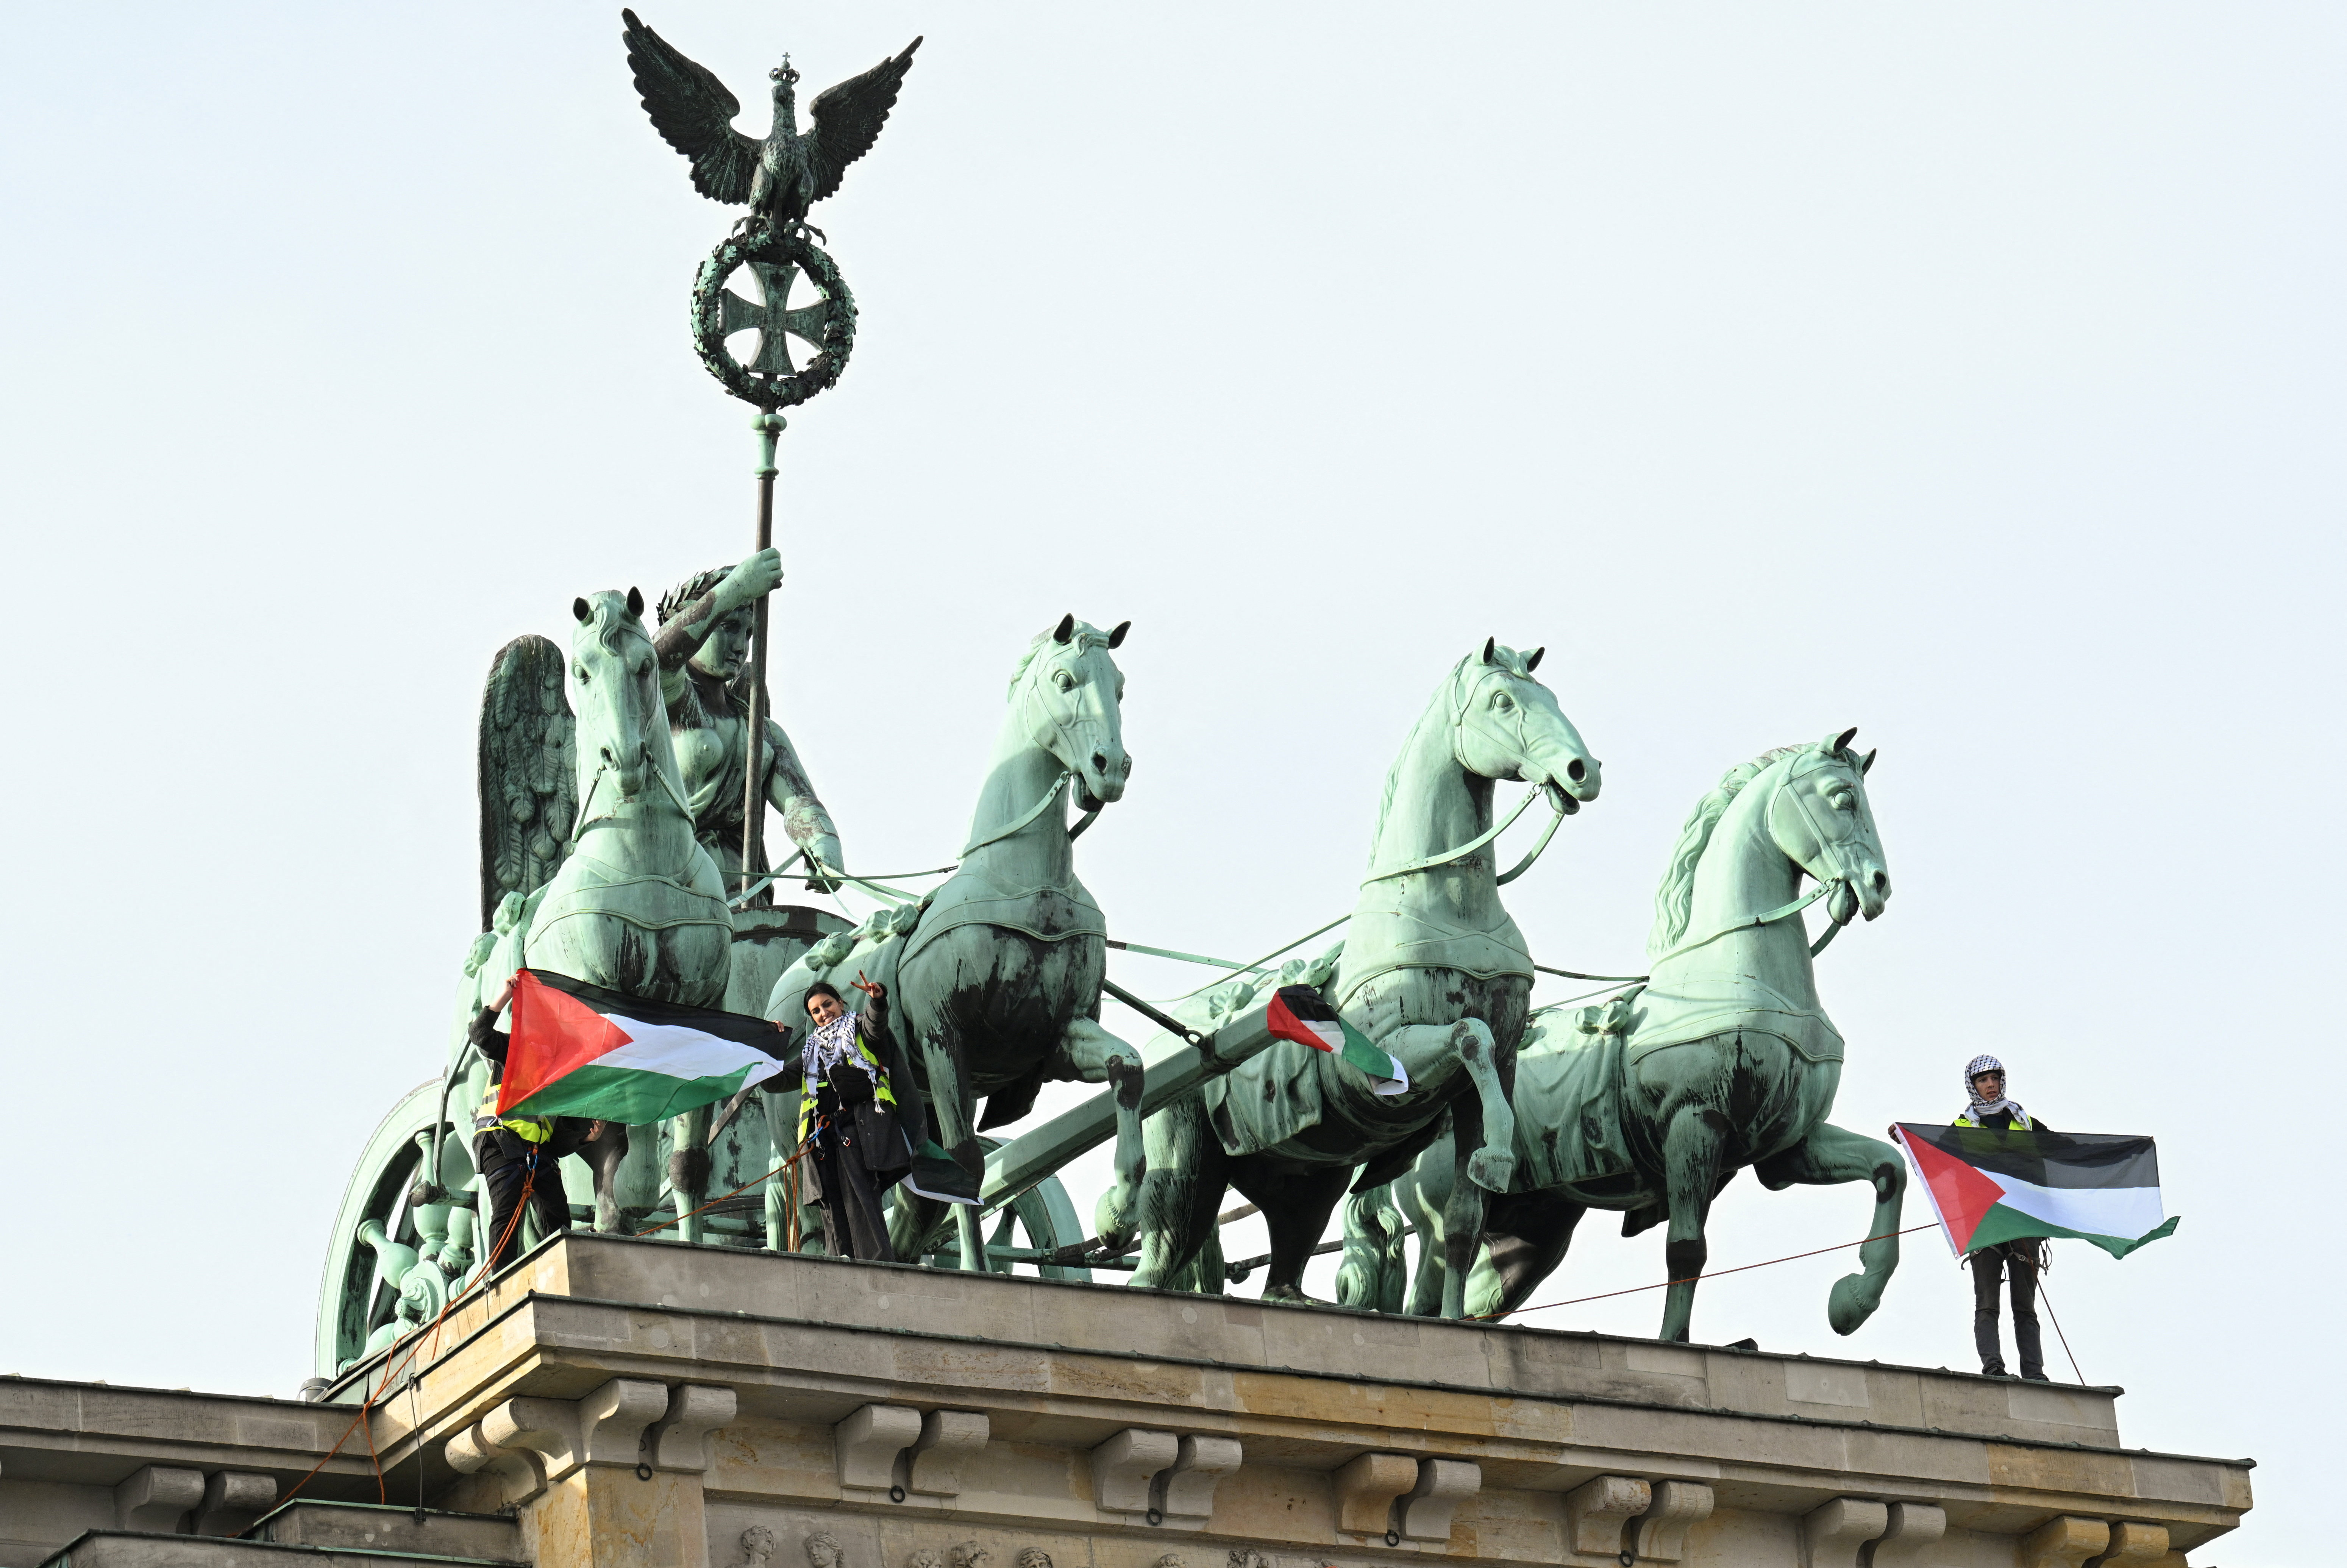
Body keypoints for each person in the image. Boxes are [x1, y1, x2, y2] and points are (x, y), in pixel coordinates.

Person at [653, 551, 845, 902]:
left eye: (749, 633)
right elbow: (658, 657)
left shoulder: (758, 730)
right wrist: (737, 589)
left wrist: (822, 842)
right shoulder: (665, 702)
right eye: (727, 627)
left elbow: (798, 800)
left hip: (740, 896)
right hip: (671, 891)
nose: (740, 646)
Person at [466, 978, 604, 1273]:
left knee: (557, 1211)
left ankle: (558, 1266)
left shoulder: (557, 1076)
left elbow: (552, 1142)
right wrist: (503, 995)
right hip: (501, 1141)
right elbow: (479, 1034)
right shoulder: (514, 1049)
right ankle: (501, 1277)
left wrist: (585, 1140)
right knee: (507, 1212)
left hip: (535, 1151)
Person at [796, 979, 917, 1260]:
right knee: (833, 1214)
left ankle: (876, 1270)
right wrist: (766, 1049)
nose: (823, 1013)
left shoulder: (859, 1028)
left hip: (857, 1134)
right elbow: (778, 1078)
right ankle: (839, 1272)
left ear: (841, 1003)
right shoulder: (811, 1051)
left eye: (827, 1004)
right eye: (816, 1011)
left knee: (861, 1205)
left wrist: (877, 1002)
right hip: (823, 1144)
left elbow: (876, 1027)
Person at [1955, 1053, 2050, 1381]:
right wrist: (1904, 1137)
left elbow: (2064, 1149)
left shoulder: (2025, 1123)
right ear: (1973, 1086)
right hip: (1985, 1222)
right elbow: (1930, 1154)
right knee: (1987, 1303)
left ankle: (2034, 1373)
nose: (1991, 1085)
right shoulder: (1961, 1127)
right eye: (1983, 1080)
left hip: (2024, 1222)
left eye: (1995, 1078)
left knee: (2025, 1305)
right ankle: (1993, 1367)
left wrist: (2118, 1149)